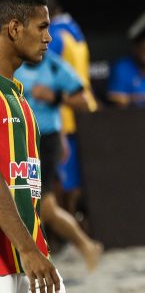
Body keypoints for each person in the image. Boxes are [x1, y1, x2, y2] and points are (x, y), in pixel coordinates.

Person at [0, 0, 76, 293]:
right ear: (13, 28)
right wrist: (27, 248)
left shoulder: (19, 96)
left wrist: (32, 248)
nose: (49, 37)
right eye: (42, 26)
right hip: (9, 256)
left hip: (28, 255)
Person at [15, 53, 104, 271]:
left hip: (44, 141)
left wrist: (54, 98)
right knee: (40, 206)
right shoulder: (10, 61)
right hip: (19, 139)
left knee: (41, 205)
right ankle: (85, 246)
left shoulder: (55, 66)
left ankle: (80, 246)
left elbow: (85, 101)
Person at [46, 0, 97, 218]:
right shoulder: (76, 30)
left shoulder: (55, 35)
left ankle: (66, 230)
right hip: (84, 108)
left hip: (62, 115)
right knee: (74, 175)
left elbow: (45, 73)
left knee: (61, 178)